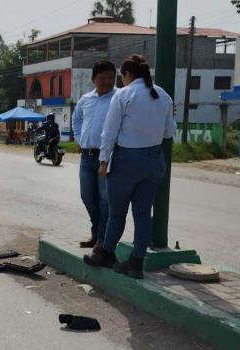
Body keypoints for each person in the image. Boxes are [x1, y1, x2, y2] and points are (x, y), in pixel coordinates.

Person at [83, 54, 175, 279]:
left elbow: (110, 132)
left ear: (127, 75)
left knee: (117, 213)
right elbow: (168, 133)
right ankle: (136, 263)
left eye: (120, 77)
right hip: (154, 160)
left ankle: (106, 254)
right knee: (143, 214)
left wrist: (104, 161)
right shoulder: (163, 96)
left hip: (126, 161)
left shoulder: (124, 95)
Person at [71, 61, 117, 249]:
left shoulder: (119, 97)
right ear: (93, 79)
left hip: (106, 157)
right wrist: (80, 139)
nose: (106, 81)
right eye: (102, 78)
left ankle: (101, 239)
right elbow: (76, 118)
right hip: (86, 156)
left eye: (110, 78)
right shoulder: (86, 99)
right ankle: (96, 233)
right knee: (87, 197)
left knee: (104, 200)